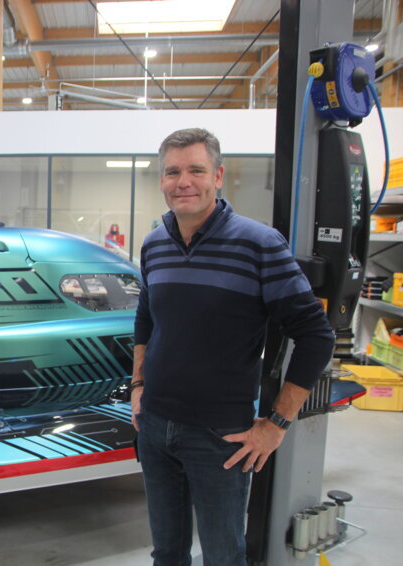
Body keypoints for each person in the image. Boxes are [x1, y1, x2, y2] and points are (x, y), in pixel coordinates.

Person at [132, 128, 334, 566]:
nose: (183, 181)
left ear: (218, 176)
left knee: (224, 555)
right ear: (162, 181)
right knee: (166, 552)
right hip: (155, 426)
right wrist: (138, 385)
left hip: (221, 436)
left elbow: (317, 335)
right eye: (172, 172)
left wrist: (277, 423)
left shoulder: (259, 244)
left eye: (196, 170)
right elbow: (147, 316)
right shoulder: (153, 245)